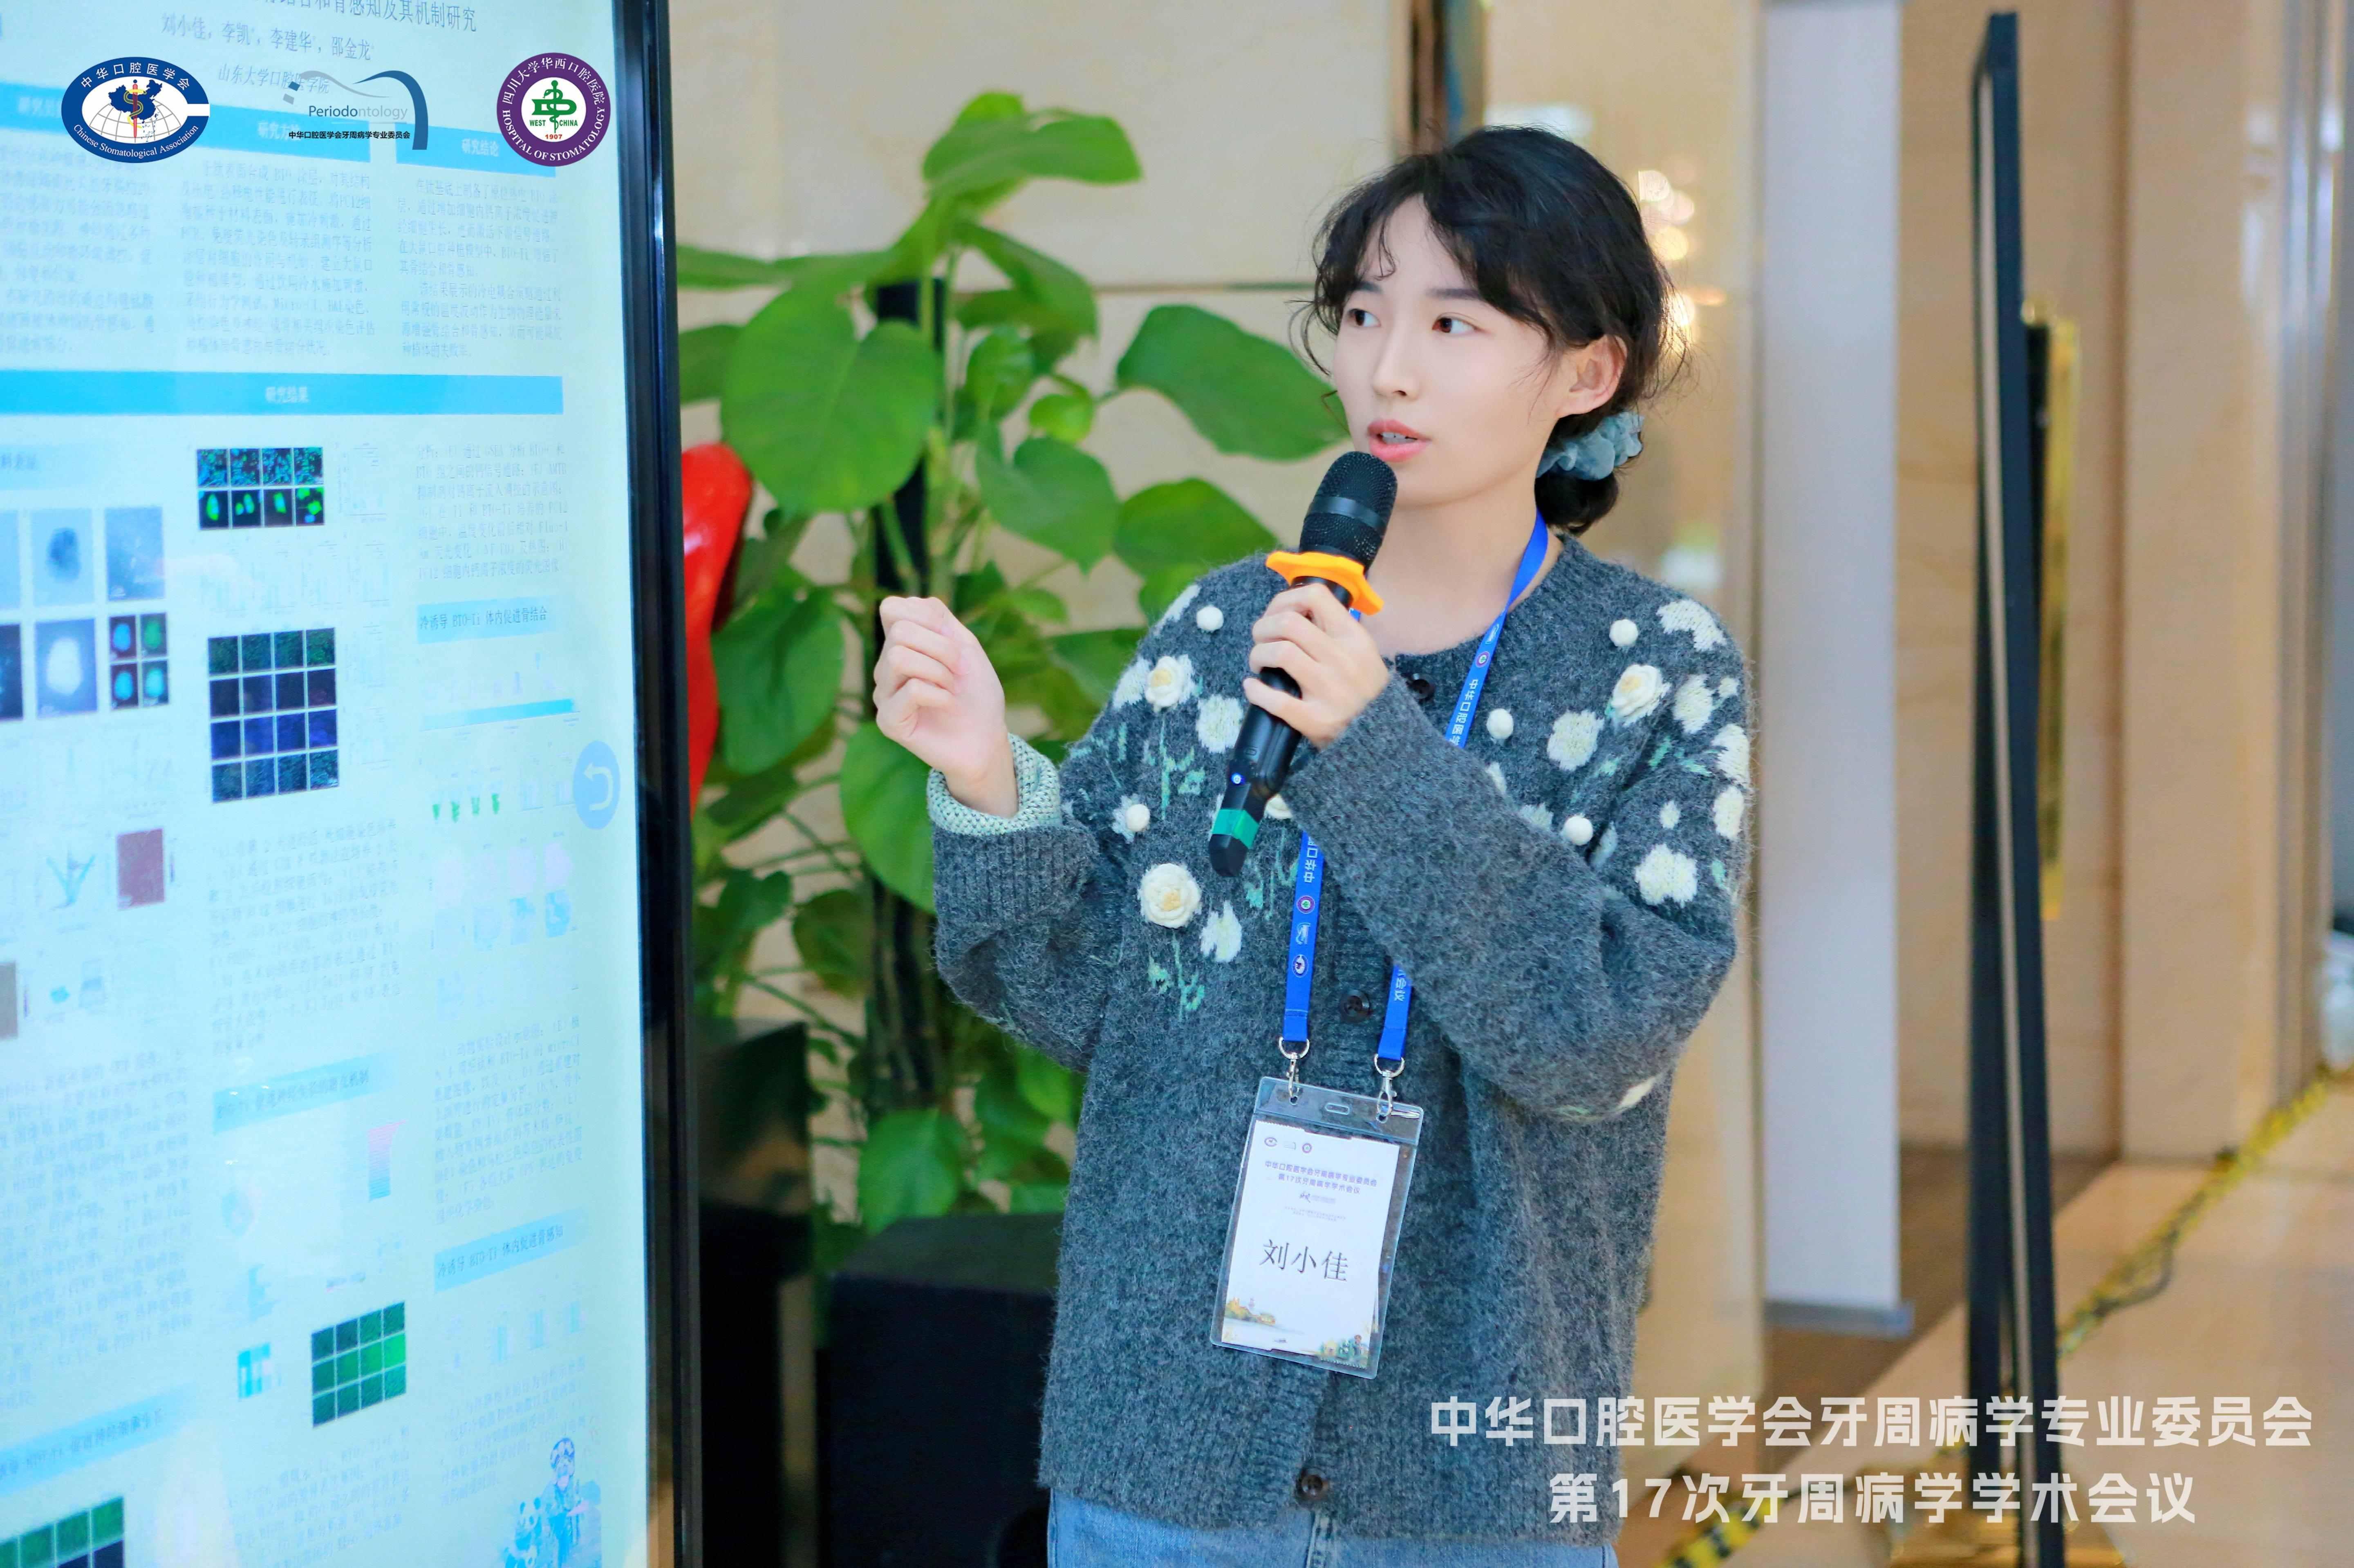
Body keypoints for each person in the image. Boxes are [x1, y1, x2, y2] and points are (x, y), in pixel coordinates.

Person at [873, 125, 1750, 1567]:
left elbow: (1597, 1038)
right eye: (1361, 313)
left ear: (1588, 373)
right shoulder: (1227, 629)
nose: (1388, 368)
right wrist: (987, 774)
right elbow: (1085, 996)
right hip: (1168, 1453)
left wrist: (1373, 750)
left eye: (1455, 323)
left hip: (1475, 1474)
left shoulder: (1654, 670)